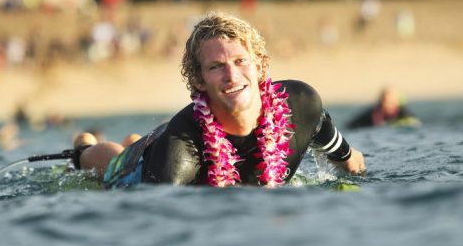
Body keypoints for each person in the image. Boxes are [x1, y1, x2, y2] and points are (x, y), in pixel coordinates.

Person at [72, 11, 365, 188]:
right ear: (198, 80)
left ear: (260, 66)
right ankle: (86, 147)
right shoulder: (177, 155)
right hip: (152, 154)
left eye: (241, 61)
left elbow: (352, 163)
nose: (232, 76)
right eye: (216, 67)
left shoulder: (301, 105)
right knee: (112, 167)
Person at [347, 87, 420, 129]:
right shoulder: (372, 113)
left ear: (396, 102)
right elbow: (351, 125)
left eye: (391, 101)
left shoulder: (403, 112)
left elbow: (415, 123)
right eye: (385, 101)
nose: (387, 104)